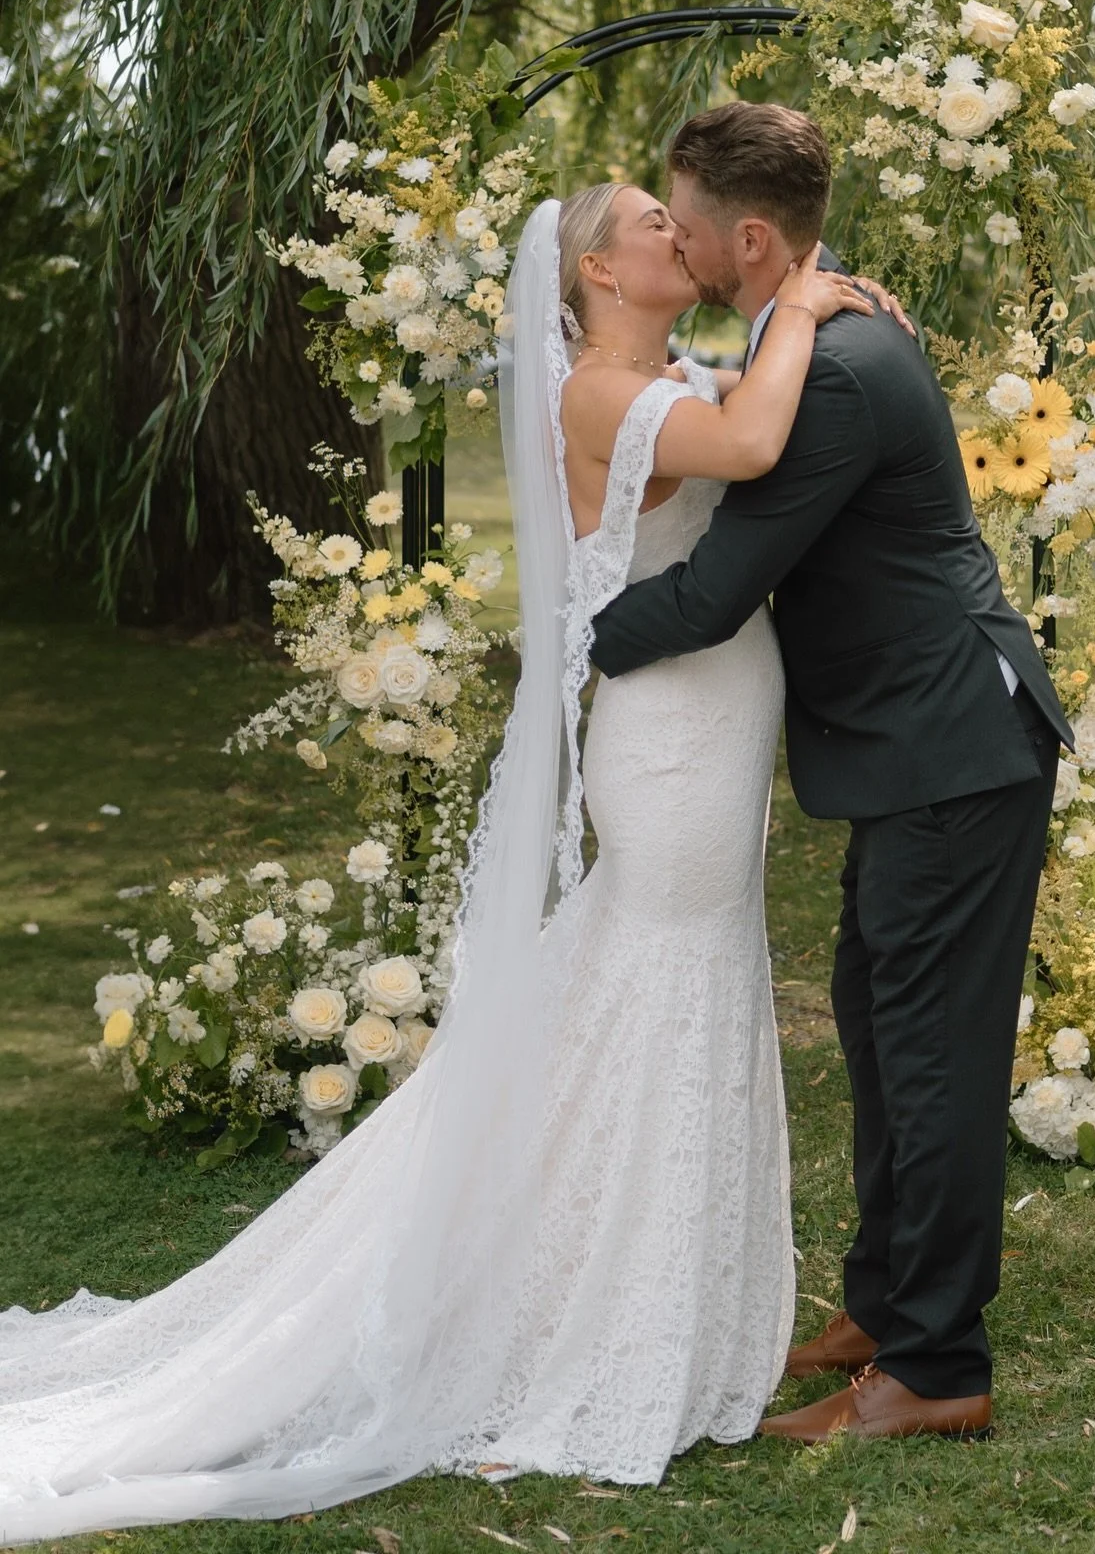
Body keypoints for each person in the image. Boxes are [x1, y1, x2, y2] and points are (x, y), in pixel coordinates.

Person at [0, 183, 895, 1539]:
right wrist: (808, 304)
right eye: (654, 222)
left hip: (713, 728)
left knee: (668, 990)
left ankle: (657, 1303)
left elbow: (743, 404)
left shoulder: (663, 371)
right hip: (669, 743)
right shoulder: (603, 393)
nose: (679, 235)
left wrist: (788, 308)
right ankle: (588, 1322)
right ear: (599, 266)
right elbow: (758, 441)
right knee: (655, 992)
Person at [589, 101, 1073, 1445]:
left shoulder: (840, 368)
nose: (671, 241)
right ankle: (884, 1306)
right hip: (920, 750)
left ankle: (934, 1370)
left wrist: (575, 633)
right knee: (878, 1023)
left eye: (681, 224)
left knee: (931, 1058)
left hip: (952, 751)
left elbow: (716, 591)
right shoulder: (803, 333)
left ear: (748, 237)